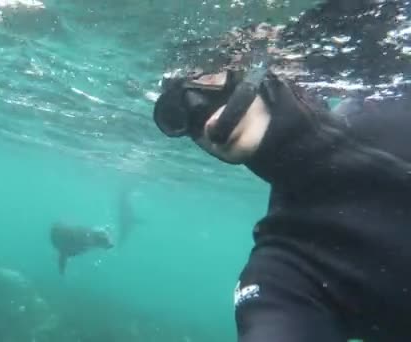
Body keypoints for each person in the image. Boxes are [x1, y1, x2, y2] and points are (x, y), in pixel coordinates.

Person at [152, 1, 411, 341]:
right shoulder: (284, 266)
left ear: (262, 69)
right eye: (179, 114)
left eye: (211, 78)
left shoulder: (394, 98)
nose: (207, 116)